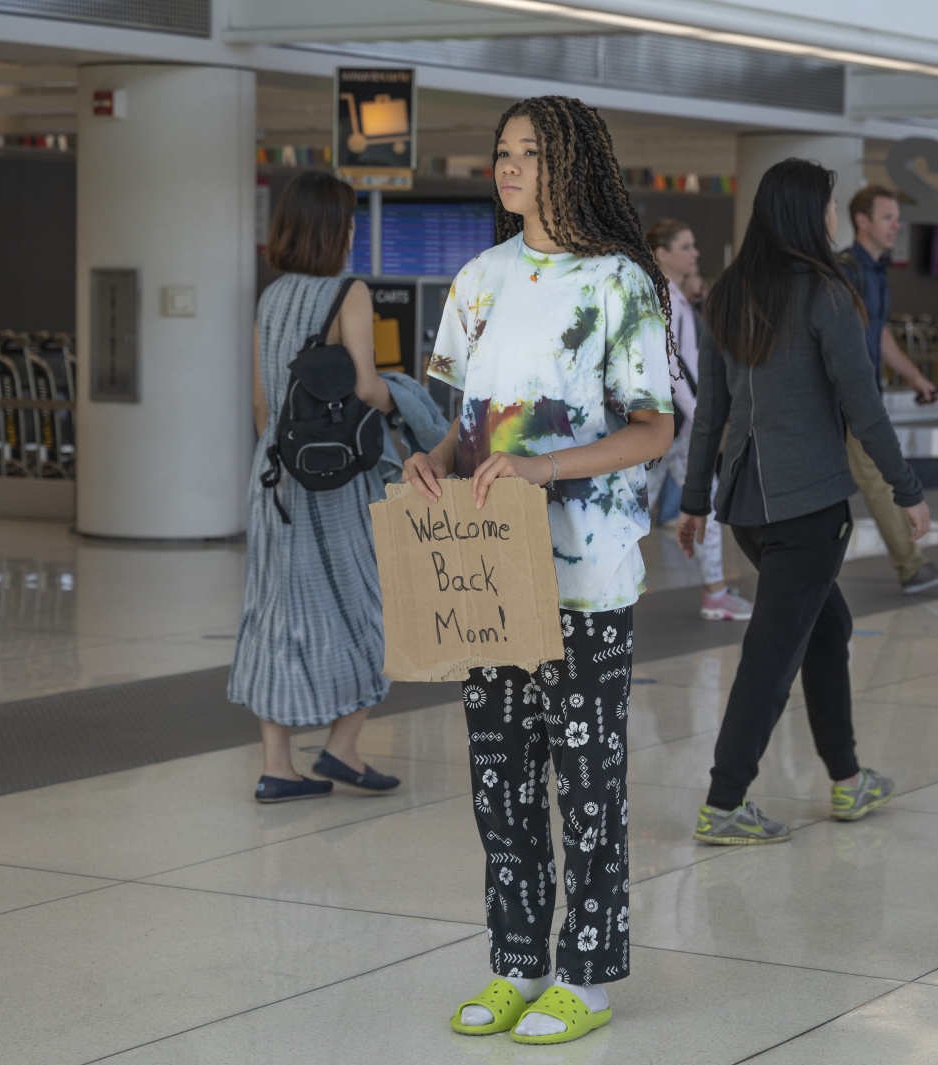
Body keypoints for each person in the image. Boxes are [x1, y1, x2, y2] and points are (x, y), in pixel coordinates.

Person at [404, 96, 673, 1046]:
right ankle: (518, 960)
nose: (509, 165)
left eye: (530, 151)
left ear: (572, 164)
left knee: (588, 783)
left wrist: (544, 468)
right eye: (502, 151)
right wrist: (435, 460)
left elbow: (654, 427)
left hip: (586, 574)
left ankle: (587, 975)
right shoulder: (478, 279)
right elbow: (469, 420)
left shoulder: (619, 283)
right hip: (489, 570)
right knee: (500, 781)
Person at [678, 159, 927, 845]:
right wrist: (907, 490)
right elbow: (864, 408)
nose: (832, 218)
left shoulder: (728, 293)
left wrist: (696, 499)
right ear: (808, 215)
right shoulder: (825, 292)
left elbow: (710, 414)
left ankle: (848, 778)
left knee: (827, 625)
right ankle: (724, 802)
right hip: (808, 508)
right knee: (772, 655)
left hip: (747, 506)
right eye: (828, 207)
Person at [229, 170, 402, 803]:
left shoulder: (271, 296)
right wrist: (404, 400)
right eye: (350, 221)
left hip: (273, 476)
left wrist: (283, 452)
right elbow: (365, 386)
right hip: (331, 482)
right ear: (336, 229)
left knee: (276, 613)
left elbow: (260, 404)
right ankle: (342, 746)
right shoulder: (347, 292)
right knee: (371, 605)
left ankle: (278, 766)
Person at [840, 185, 938, 595]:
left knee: (866, 478)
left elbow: (878, 333)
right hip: (850, 400)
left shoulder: (876, 271)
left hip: (864, 397)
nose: (897, 226)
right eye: (888, 217)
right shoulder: (848, 271)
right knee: (876, 478)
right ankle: (911, 567)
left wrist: (914, 377)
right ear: (862, 221)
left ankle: (908, 566)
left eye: (897, 217)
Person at [643, 218, 752, 621]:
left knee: (635, 510)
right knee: (701, 498)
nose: (695, 253)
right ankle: (715, 594)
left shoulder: (668, 294)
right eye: (685, 247)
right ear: (661, 254)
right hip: (674, 425)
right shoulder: (664, 296)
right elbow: (671, 366)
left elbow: (682, 361)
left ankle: (715, 591)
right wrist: (699, 414)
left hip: (664, 426)